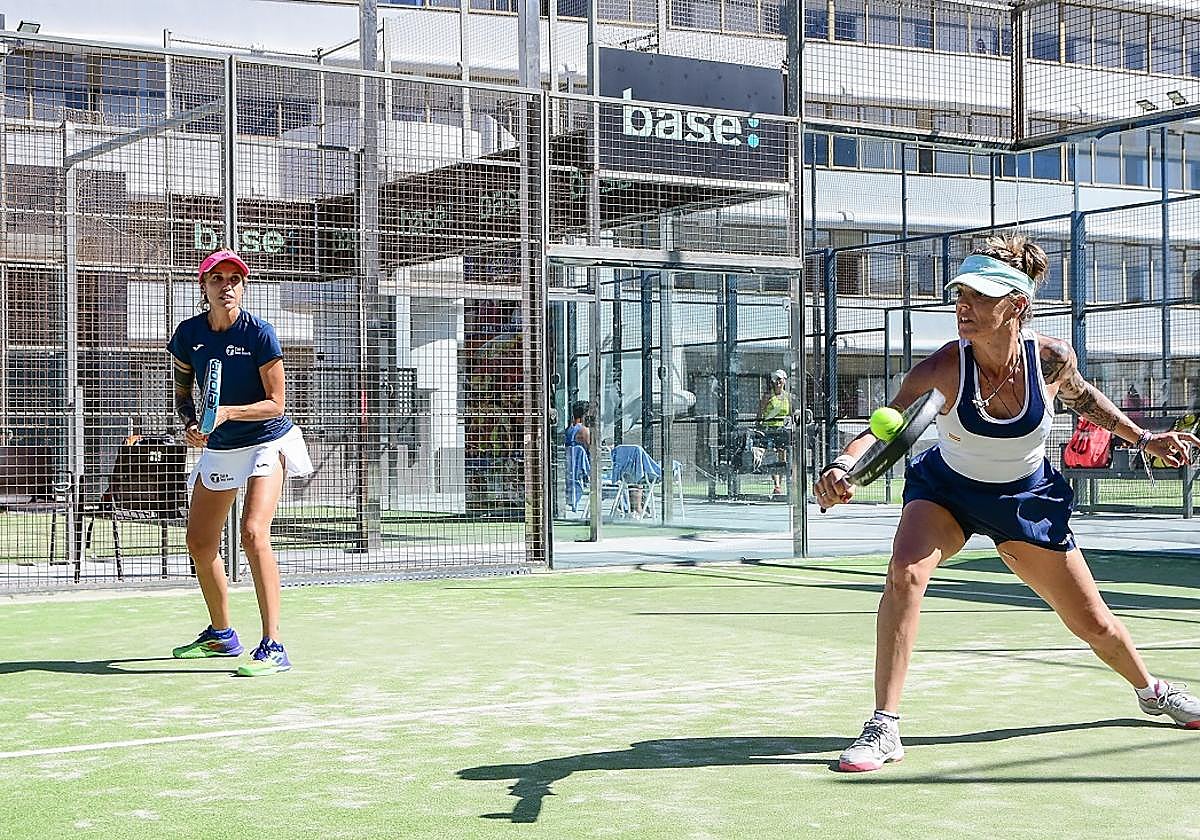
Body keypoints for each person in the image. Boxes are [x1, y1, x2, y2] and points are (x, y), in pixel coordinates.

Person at [814, 234, 1200, 772]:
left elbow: (1086, 400)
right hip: (946, 493)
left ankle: (1152, 691)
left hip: (1025, 499)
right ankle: (884, 726)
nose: (963, 306)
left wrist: (1144, 439)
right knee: (904, 574)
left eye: (980, 296)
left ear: (1016, 305)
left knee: (1094, 624)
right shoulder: (943, 367)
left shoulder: (1051, 360)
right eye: (960, 295)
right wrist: (841, 466)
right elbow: (885, 425)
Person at [168, 248, 314, 677]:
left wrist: (228, 412)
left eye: (234, 279)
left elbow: (276, 403)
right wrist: (192, 424)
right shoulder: (189, 335)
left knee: (252, 533)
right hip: (222, 446)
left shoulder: (260, 333)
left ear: (243, 287)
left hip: (267, 440)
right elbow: (182, 395)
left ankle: (273, 645)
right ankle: (221, 635)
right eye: (217, 279)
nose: (226, 286)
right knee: (199, 542)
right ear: (204, 286)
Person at [757, 369, 792, 495]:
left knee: (782, 456)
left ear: (784, 381)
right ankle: (776, 485)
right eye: (775, 379)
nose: (777, 382)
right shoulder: (767, 396)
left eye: (780, 379)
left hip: (782, 430)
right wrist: (759, 428)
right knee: (772, 455)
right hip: (769, 430)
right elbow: (760, 413)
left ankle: (780, 484)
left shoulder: (788, 397)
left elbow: (791, 413)